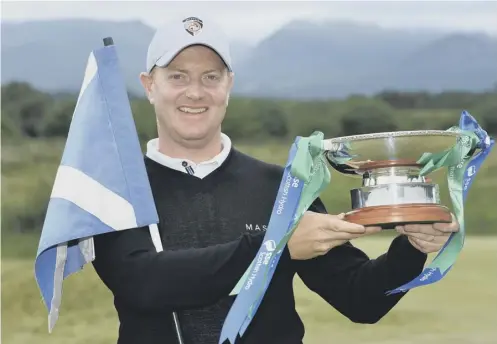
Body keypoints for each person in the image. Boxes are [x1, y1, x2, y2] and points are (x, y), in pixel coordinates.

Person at [92, 15, 460, 344]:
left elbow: (360, 299)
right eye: (177, 76)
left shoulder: (282, 188)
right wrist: (277, 247)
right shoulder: (117, 190)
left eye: (211, 77)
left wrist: (411, 248)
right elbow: (144, 283)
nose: (195, 91)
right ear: (149, 85)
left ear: (228, 85)